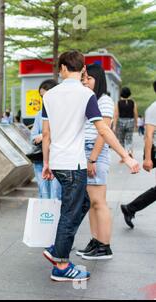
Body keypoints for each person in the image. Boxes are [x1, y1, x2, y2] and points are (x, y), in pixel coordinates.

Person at [41, 50, 139, 282]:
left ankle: (57, 250)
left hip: (57, 161)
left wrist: (46, 163)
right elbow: (103, 129)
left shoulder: (49, 96)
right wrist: (125, 156)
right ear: (82, 69)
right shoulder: (86, 95)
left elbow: (46, 133)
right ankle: (61, 266)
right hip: (73, 164)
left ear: (63, 68)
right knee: (71, 211)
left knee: (82, 202)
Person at [76, 64, 115, 260]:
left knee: (99, 202)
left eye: (88, 78)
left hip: (95, 152)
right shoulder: (91, 99)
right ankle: (96, 240)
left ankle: (104, 245)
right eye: (83, 78)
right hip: (87, 152)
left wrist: (92, 159)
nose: (85, 81)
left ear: (98, 80)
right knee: (92, 202)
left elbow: (103, 133)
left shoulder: (105, 100)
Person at [121, 80, 156, 228]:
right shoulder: (153, 109)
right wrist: (147, 158)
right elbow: (148, 135)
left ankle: (130, 208)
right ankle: (130, 208)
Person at [30, 79, 61, 200]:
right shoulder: (39, 114)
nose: (43, 100)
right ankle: (45, 219)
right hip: (40, 161)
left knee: (56, 194)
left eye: (45, 96)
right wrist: (39, 137)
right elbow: (32, 137)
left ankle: (57, 219)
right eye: (41, 96)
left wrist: (44, 135)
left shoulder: (62, 113)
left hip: (57, 160)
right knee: (44, 194)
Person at [113, 87, 138, 158]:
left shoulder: (118, 103)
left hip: (121, 122)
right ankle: (129, 151)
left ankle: (123, 155)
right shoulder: (133, 102)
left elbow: (116, 114)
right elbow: (135, 113)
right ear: (129, 94)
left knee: (121, 139)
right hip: (130, 122)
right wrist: (136, 123)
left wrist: (114, 125)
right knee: (129, 138)